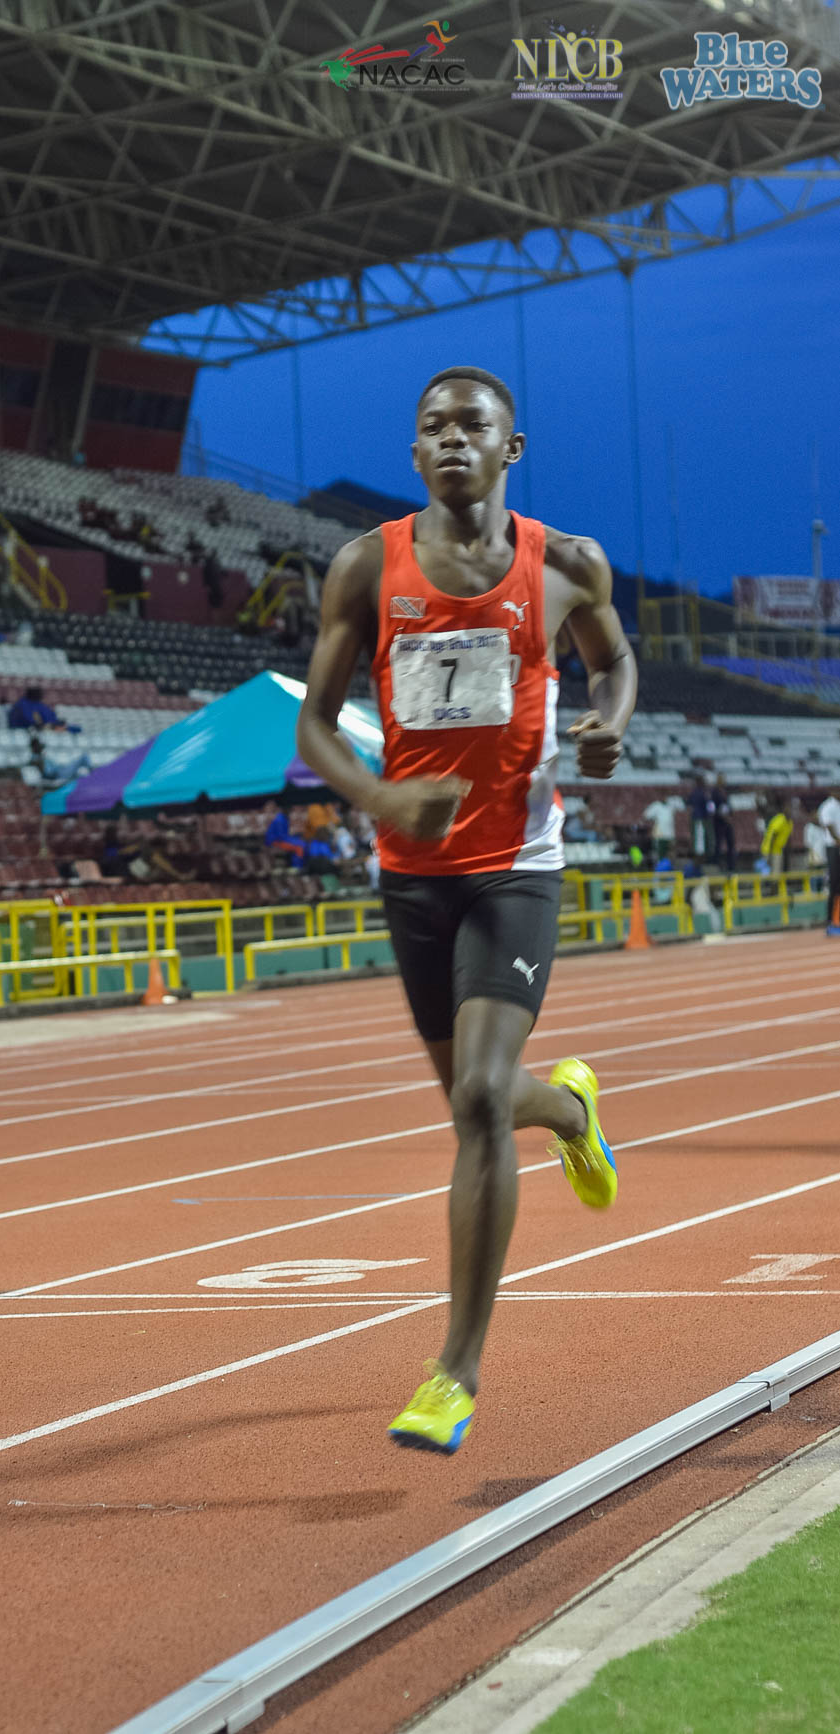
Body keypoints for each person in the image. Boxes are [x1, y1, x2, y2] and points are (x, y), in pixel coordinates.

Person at [296, 364, 635, 1455]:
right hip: (412, 871)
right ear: (413, 453)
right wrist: (381, 797)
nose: (452, 439)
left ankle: (454, 1371)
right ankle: (571, 1110)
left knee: (482, 1097)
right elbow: (313, 727)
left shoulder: (566, 564)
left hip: (515, 866)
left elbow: (613, 662)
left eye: (471, 425)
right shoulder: (365, 567)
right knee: (474, 1105)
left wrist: (609, 723)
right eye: (432, 426)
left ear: (509, 448)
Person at [818, 786, 840, 932]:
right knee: (835, 883)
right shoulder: (827, 807)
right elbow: (830, 829)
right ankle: (831, 921)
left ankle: (837, 919)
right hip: (833, 847)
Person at [759, 795, 792, 877]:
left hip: (778, 850)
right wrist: (769, 854)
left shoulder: (790, 823)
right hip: (768, 850)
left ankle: (774, 886)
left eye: (790, 809)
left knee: (776, 875)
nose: (789, 810)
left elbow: (788, 837)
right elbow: (773, 837)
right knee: (766, 875)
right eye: (787, 809)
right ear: (784, 810)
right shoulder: (780, 820)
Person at [710, 773, 736, 873]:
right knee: (718, 843)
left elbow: (728, 806)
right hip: (719, 822)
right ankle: (716, 863)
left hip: (727, 822)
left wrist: (730, 816)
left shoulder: (725, 792)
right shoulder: (714, 793)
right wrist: (721, 816)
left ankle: (731, 865)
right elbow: (712, 808)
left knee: (730, 843)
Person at [686, 774, 714, 863]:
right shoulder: (704, 793)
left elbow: (689, 807)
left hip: (696, 818)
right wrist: (711, 813)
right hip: (703, 818)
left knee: (698, 839)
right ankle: (705, 858)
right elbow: (710, 806)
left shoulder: (693, 793)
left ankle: (698, 858)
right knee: (704, 838)